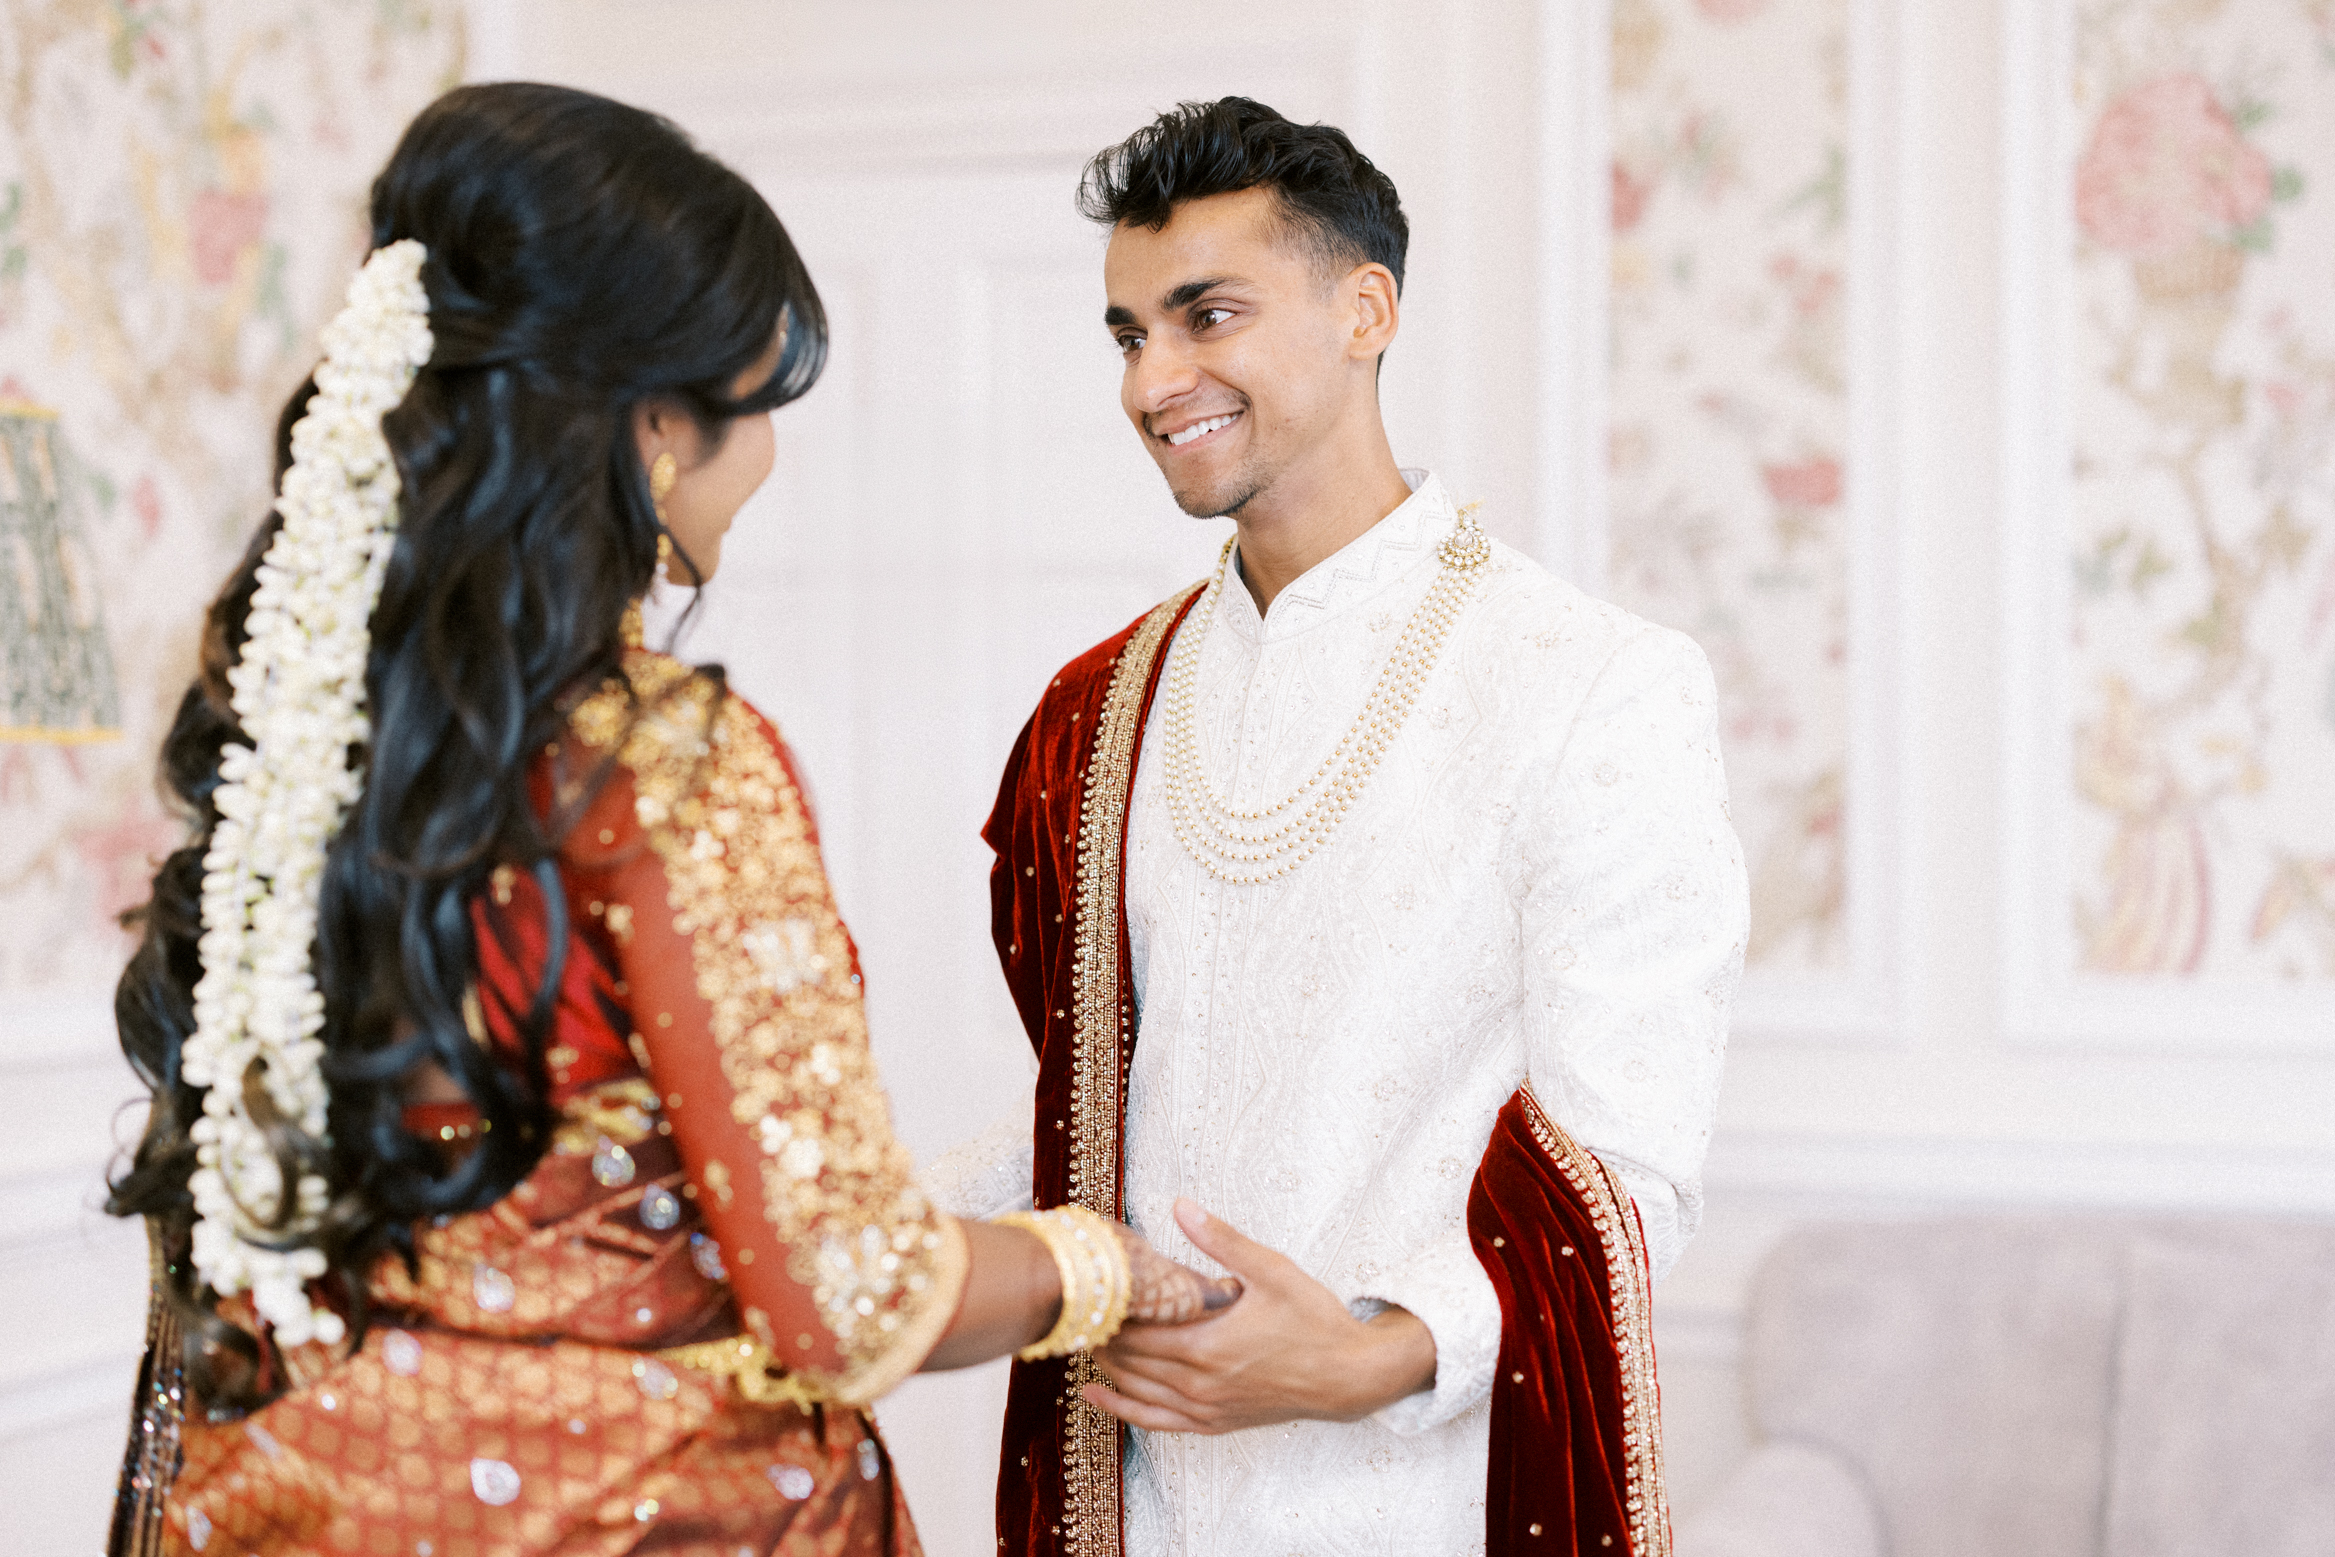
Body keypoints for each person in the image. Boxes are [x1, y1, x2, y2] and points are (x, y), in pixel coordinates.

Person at [103, 82, 1229, 1557]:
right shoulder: (658, 764)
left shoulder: (292, 720)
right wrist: (1103, 1269)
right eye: (754, 406)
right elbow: (854, 1295)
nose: (763, 457)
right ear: (650, 429)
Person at [931, 98, 1749, 1556]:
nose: (1154, 379)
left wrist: (1364, 1355)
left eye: (1208, 315)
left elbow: (1627, 1160)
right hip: (1136, 1485)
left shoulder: (1592, 684)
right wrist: (848, 1244)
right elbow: (1090, 1099)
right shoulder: (1101, 708)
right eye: (1129, 334)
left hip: (1423, 1493)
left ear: (1366, 308)